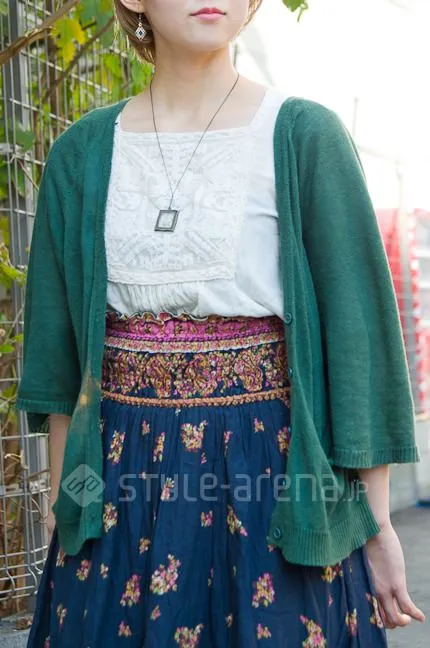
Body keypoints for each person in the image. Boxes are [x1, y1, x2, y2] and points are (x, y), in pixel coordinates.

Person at [16, 1, 426, 646]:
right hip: (117, 475)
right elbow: (58, 355)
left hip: (274, 471)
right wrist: (70, 498)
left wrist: (376, 526)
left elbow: (360, 340)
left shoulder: (303, 135)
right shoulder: (81, 153)